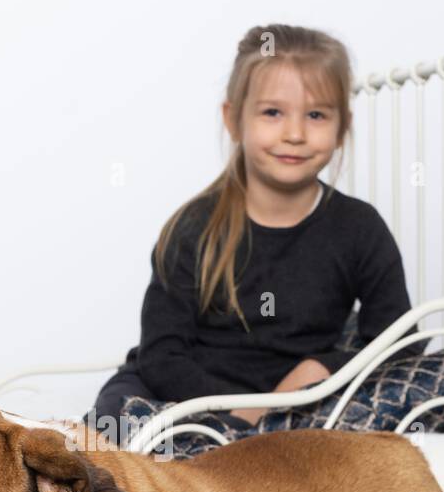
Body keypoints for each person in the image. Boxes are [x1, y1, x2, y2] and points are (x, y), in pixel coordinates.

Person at [91, 23, 412, 445]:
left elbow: (399, 342)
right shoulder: (193, 229)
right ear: (234, 119)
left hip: (297, 403)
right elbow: (161, 356)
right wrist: (235, 412)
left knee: (336, 429)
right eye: (272, 113)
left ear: (342, 125)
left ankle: (241, 454)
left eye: (316, 115)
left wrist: (322, 367)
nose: (295, 134)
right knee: (116, 414)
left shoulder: (358, 228)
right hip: (187, 398)